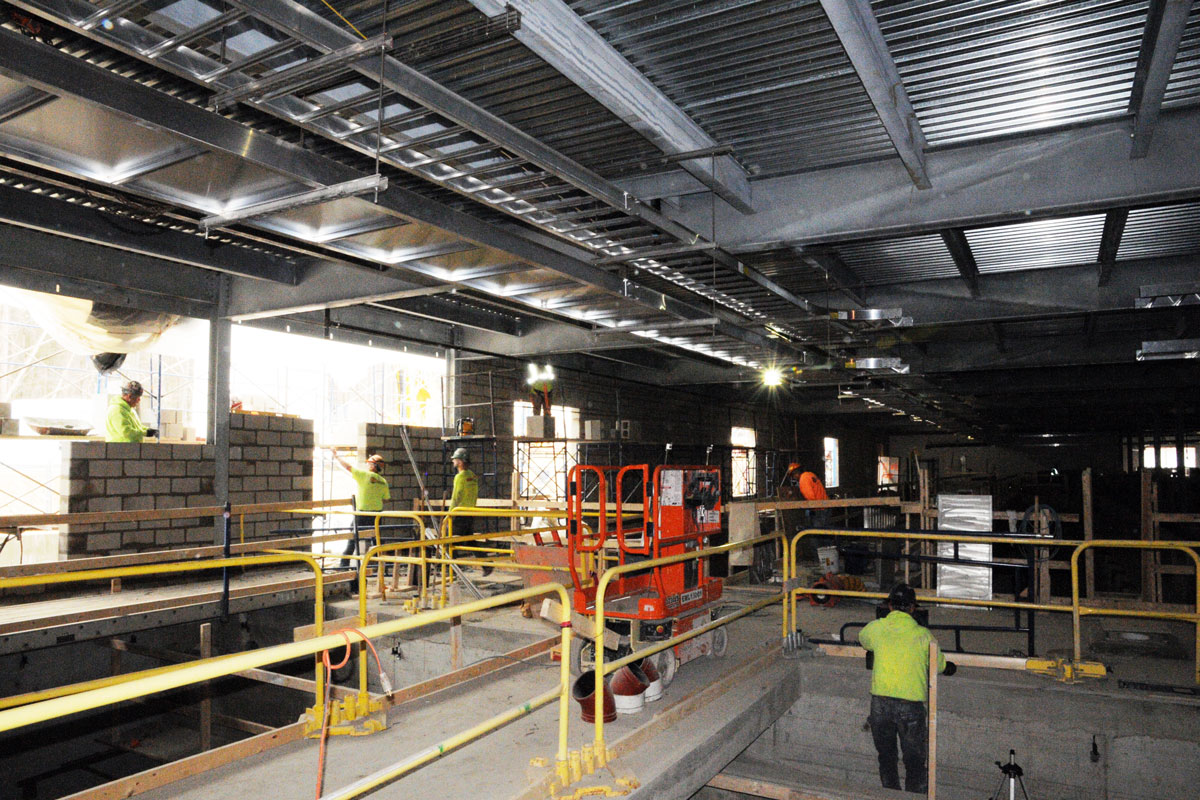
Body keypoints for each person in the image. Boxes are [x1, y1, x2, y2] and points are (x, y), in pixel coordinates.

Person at [859, 583, 955, 794]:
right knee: (914, 760)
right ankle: (915, 795)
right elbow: (938, 665)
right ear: (913, 608)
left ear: (890, 606)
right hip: (910, 706)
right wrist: (948, 667)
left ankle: (890, 793)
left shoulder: (877, 628)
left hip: (880, 704)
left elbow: (864, 640)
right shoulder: (923, 635)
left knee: (886, 756)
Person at [330, 450, 390, 570]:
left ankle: (344, 565)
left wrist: (337, 456)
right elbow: (386, 499)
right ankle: (381, 566)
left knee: (353, 539)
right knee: (376, 541)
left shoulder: (364, 476)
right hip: (377, 515)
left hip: (362, 514)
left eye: (369, 463)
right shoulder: (383, 482)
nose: (368, 465)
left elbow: (347, 466)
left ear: (373, 465)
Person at [449, 447, 487, 575]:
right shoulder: (472, 476)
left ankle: (452, 569)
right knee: (470, 541)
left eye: (455, 459)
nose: (453, 461)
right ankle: (487, 565)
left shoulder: (460, 477)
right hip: (470, 512)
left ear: (460, 462)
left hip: (460, 513)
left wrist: (449, 513)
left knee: (450, 540)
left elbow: (456, 496)